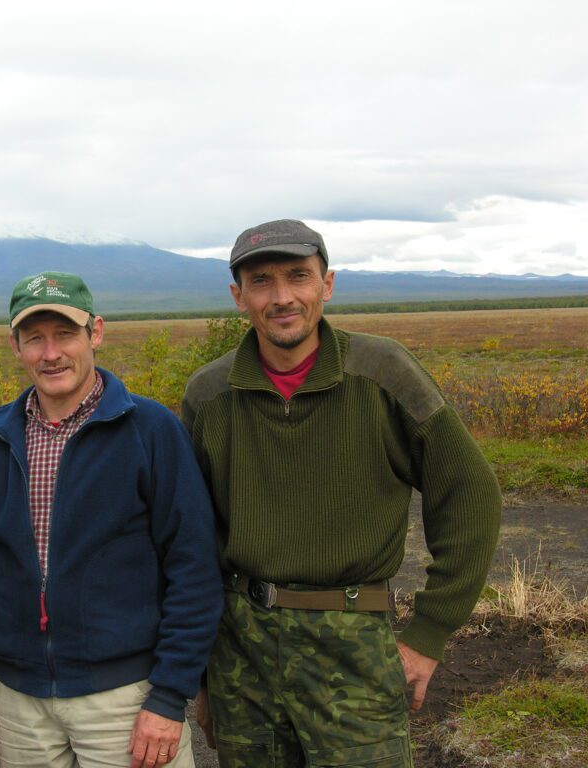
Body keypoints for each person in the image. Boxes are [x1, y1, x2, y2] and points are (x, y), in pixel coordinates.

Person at [181, 220, 502, 767]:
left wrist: (428, 633)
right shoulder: (209, 395)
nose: (282, 297)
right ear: (239, 296)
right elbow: (192, 541)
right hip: (240, 653)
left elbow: (471, 492)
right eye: (261, 281)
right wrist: (206, 676)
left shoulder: (383, 374)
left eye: (298, 276)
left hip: (352, 644)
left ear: (326, 284)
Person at [0, 271, 222, 768]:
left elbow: (194, 570)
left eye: (65, 334)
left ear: (96, 332)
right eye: (35, 339)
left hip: (126, 700)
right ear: (16, 346)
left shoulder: (151, 432)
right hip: (19, 702)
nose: (51, 354)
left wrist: (167, 695)